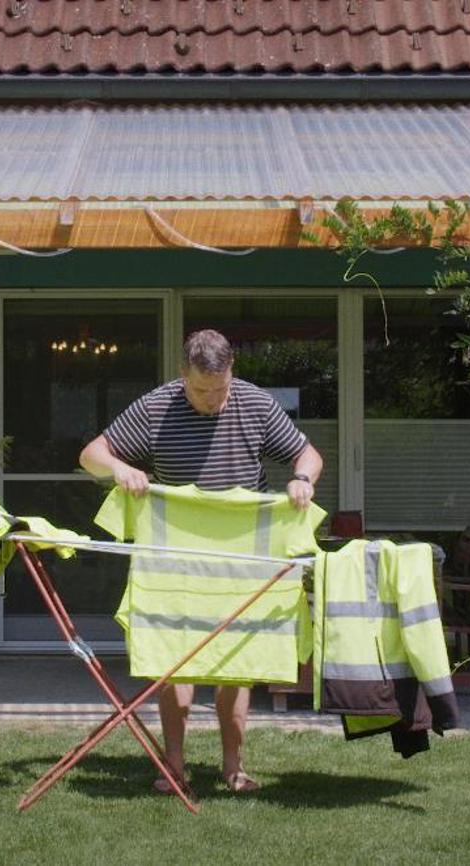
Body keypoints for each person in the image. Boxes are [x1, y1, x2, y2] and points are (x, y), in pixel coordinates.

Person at [79, 329, 323, 794]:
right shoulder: (158, 406)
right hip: (178, 555)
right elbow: (92, 454)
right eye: (200, 390)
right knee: (176, 659)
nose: (211, 400)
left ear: (231, 373)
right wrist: (121, 468)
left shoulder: (254, 403)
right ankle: (173, 767)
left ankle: (233, 767)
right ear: (182, 375)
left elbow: (307, 455)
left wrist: (301, 480)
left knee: (236, 659)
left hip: (243, 556)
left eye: (219, 389)